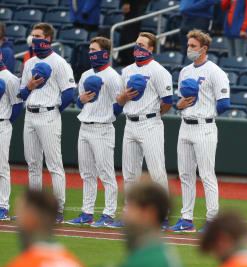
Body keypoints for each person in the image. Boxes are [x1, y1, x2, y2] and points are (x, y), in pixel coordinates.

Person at [169, 30, 230, 234]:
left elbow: (224, 104)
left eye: (193, 46)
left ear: (204, 48)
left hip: (205, 126)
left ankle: (212, 221)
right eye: (188, 45)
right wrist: (180, 104)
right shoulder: (185, 71)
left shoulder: (215, 71)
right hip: (185, 124)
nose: (189, 49)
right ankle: (187, 219)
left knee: (206, 175)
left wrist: (205, 107)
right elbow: (180, 100)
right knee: (185, 175)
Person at [112, 31, 173, 228]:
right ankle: (130, 213)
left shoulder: (159, 71)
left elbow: (167, 102)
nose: (138, 48)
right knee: (130, 172)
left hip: (150, 123)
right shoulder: (127, 70)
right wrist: (122, 99)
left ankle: (163, 215)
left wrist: (154, 115)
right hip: (130, 122)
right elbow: (120, 99)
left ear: (151, 48)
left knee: (156, 172)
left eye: (143, 45)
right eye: (137, 44)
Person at [19, 23, 76, 223]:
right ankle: (34, 209)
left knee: (54, 165)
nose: (34, 39)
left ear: (48, 38)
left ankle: (58, 210)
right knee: (33, 164)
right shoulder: (29, 62)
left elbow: (69, 94)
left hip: (49, 114)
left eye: (38, 35)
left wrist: (53, 111)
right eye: (32, 35)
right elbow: (22, 93)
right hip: (30, 114)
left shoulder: (59, 62)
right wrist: (29, 86)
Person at [65, 36, 123, 227]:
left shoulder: (114, 77)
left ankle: (108, 214)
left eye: (94, 50)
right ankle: (87, 213)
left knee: (106, 173)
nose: (90, 53)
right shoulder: (85, 75)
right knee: (87, 173)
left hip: (103, 128)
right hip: (85, 126)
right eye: (89, 50)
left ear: (104, 53)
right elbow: (80, 102)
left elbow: (119, 105)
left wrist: (109, 113)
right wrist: (81, 99)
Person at [0, 51, 23, 220]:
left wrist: (7, 123)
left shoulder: (10, 79)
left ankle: (3, 207)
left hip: (2, 123)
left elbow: (17, 107)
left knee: (1, 167)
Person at [117, 0, 150, 66]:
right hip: (133, 9)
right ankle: (126, 61)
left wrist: (127, 2)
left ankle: (131, 61)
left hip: (137, 8)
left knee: (131, 35)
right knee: (127, 37)